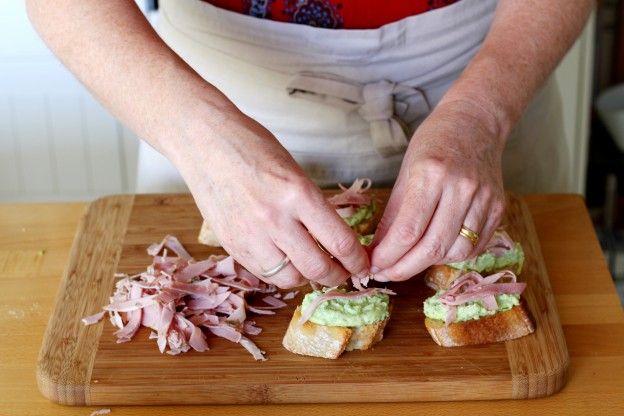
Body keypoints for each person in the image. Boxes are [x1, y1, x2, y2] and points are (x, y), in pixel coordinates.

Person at [27, 0, 592, 289]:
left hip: (488, 78)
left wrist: (481, 115)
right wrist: (202, 141)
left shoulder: (485, 110)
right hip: (205, 96)